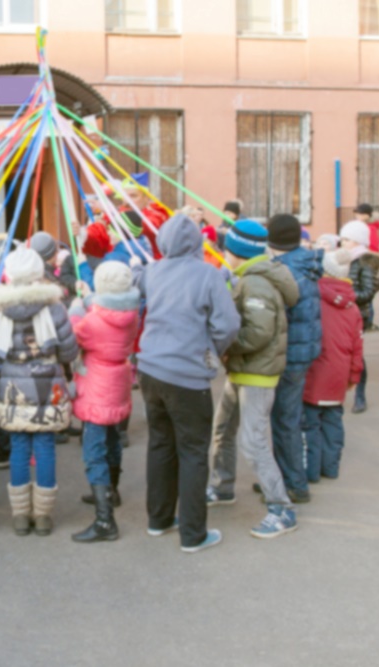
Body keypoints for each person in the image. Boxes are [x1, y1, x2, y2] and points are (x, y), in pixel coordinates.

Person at [137, 214, 239, 553]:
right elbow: (228, 325)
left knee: (160, 444)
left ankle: (159, 519)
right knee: (194, 451)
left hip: (150, 369)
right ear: (198, 241)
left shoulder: (151, 272)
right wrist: (212, 351)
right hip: (187, 375)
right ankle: (193, 534)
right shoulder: (208, 276)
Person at [207, 220, 301, 540]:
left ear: (237, 251)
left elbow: (258, 332)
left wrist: (225, 346)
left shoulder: (257, 283)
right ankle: (221, 488)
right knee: (223, 429)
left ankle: (281, 508)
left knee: (253, 440)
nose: (222, 252)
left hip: (256, 374)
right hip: (243, 369)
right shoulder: (249, 276)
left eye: (225, 248)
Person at [0, 246, 78, 537]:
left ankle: (21, 516)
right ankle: (43, 516)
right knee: (45, 448)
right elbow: (69, 349)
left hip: (13, 388)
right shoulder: (54, 306)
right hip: (47, 386)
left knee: (19, 449)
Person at [68, 261, 140, 543]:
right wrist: (88, 297)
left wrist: (76, 307)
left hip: (98, 385)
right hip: (119, 380)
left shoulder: (93, 322)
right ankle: (112, 491)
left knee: (93, 450)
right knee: (112, 440)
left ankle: (104, 520)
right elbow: (103, 308)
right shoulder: (130, 314)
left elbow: (75, 334)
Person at [266, 214, 323, 504]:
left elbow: (280, 317)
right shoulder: (305, 262)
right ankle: (282, 476)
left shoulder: (285, 271)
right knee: (286, 417)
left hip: (290, 354)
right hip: (303, 350)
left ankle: (294, 484)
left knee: (285, 420)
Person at [303, 249, 364, 483]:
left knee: (311, 422)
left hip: (315, 370)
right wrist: (354, 374)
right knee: (333, 421)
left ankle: (311, 471)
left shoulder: (314, 298)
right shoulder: (352, 307)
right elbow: (358, 345)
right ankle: (331, 467)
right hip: (340, 371)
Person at [338, 219, 379, 414]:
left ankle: (360, 395)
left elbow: (368, 292)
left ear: (358, 241)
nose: (343, 242)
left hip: (359, 313)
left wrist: (345, 294)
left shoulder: (365, 262)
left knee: (355, 354)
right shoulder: (345, 259)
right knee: (344, 352)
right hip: (344, 311)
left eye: (347, 239)